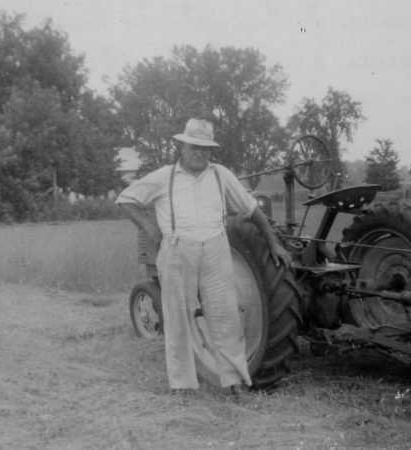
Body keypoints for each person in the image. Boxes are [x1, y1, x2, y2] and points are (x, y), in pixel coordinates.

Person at [116, 118, 291, 398]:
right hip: (177, 251)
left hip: (215, 249)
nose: (200, 153)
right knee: (177, 319)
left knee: (226, 317)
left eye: (205, 149)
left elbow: (251, 209)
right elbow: (126, 199)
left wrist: (273, 243)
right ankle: (181, 385)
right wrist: (149, 228)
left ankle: (235, 381)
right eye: (194, 147)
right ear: (182, 147)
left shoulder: (221, 175)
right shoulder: (164, 177)